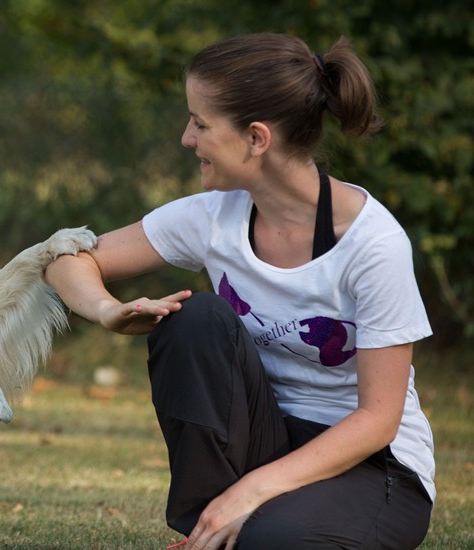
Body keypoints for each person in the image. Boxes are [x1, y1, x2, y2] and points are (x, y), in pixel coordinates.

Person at [44, 33, 434, 549]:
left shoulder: (373, 244)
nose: (187, 138)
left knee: (269, 540)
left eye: (200, 124)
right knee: (194, 320)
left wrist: (249, 491)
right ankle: (210, 528)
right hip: (268, 438)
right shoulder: (213, 215)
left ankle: (236, 524)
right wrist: (106, 309)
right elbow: (66, 259)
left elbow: (376, 420)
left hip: (373, 467)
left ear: (256, 138)